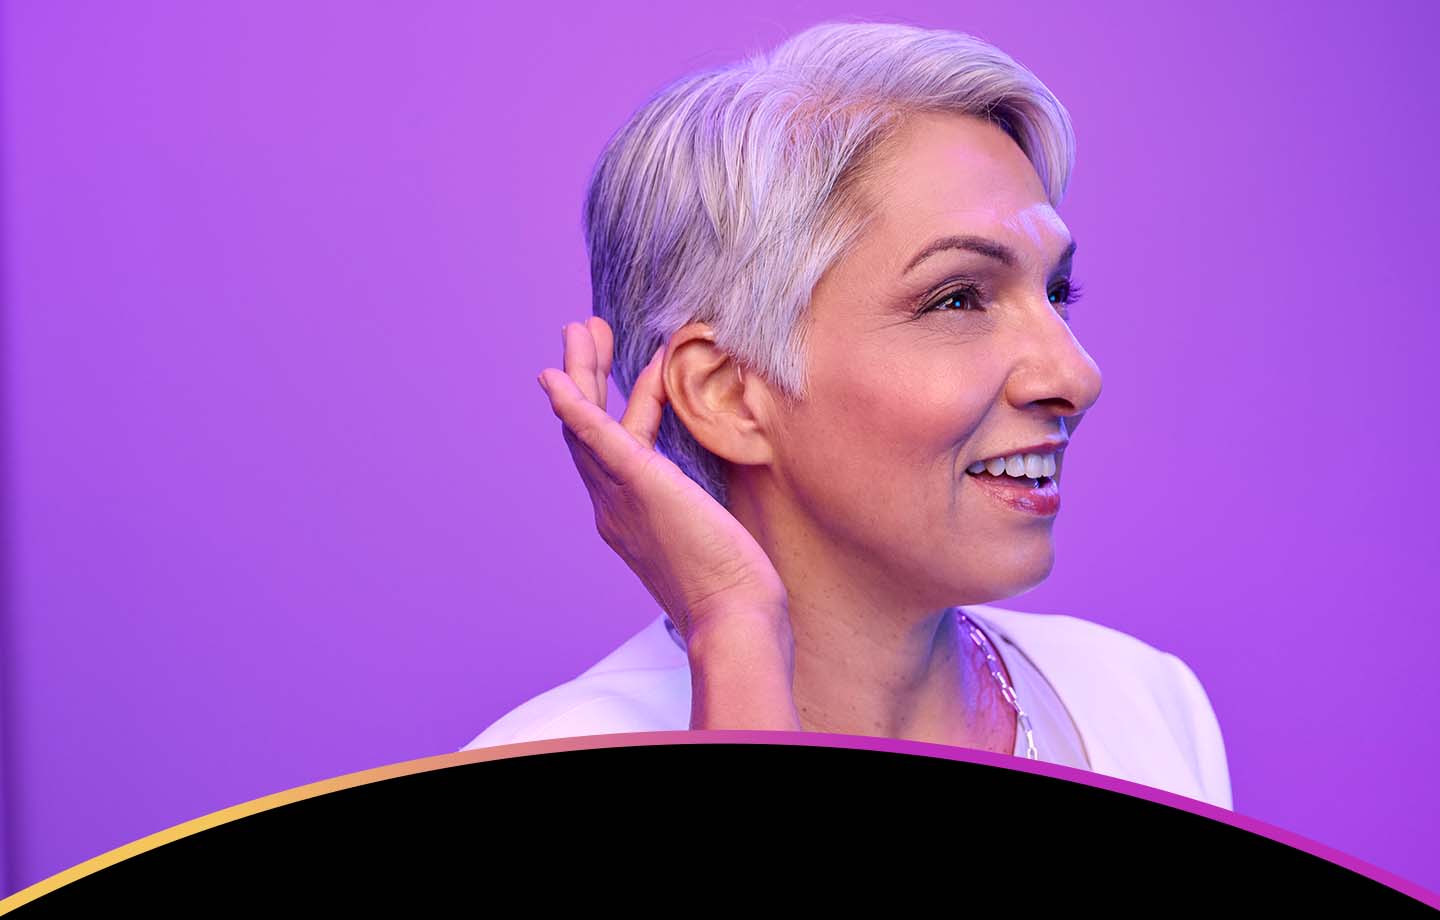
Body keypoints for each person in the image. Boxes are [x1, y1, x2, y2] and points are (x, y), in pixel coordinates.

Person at [462, 20, 1233, 811]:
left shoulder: (1141, 706)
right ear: (727, 392)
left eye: (1057, 294)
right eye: (958, 298)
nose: (1077, 373)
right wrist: (734, 629)